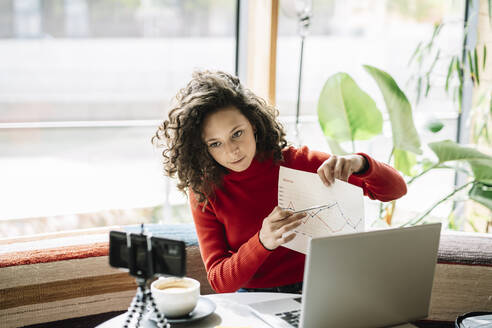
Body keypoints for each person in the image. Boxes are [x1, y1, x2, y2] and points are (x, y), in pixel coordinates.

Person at [152, 70, 407, 294]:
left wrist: (361, 164)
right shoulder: (204, 191)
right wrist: (262, 241)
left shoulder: (299, 163)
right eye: (215, 144)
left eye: (237, 133)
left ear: (253, 124)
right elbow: (219, 281)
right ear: (201, 148)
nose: (232, 151)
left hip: (319, 290)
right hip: (252, 298)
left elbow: (396, 190)